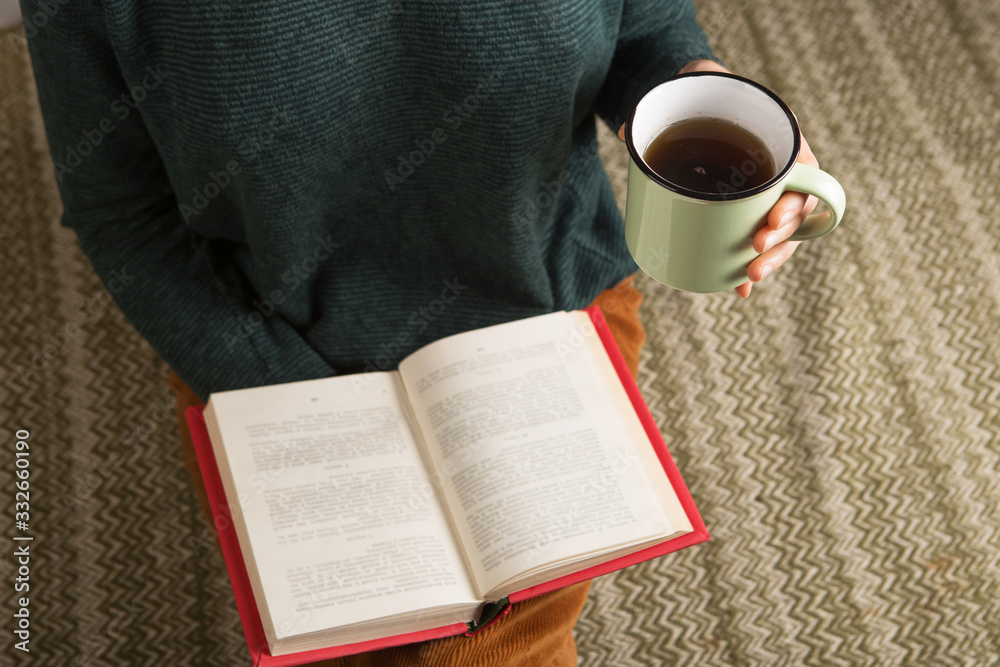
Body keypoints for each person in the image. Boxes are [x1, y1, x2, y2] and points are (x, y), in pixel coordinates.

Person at [22, 0, 819, 664]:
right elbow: (121, 213)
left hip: (546, 308)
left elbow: (645, 31)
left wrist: (702, 91)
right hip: (268, 344)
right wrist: (297, 405)